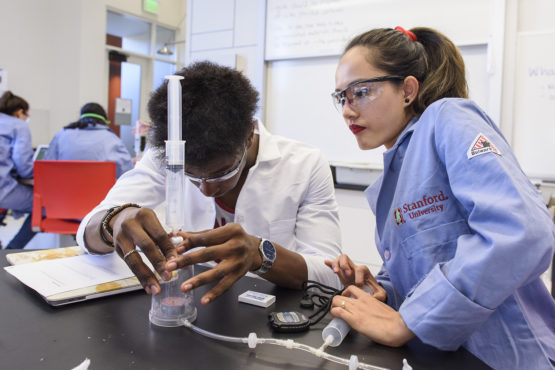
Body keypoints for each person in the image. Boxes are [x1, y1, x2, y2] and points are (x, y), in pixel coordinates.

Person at [324, 27, 555, 369]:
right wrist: (384, 288)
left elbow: (521, 234)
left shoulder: (449, 118)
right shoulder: (397, 168)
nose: (347, 110)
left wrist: (406, 322)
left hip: (506, 358)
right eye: (341, 97)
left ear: (407, 89)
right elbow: (430, 260)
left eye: (360, 92)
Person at [77, 61, 341, 305]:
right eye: (192, 176)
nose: (206, 189)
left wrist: (260, 255)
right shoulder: (167, 156)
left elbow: (330, 276)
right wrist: (113, 221)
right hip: (191, 307)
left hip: (266, 315)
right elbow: (86, 232)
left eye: (222, 172)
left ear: (249, 135)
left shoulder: (304, 165)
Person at [44, 103, 133, 178]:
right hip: (102, 197)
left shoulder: (61, 135)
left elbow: (46, 168)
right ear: (104, 121)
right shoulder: (112, 139)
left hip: (61, 196)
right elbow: (127, 175)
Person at [0, 91, 36, 249]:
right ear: (20, 112)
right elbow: (24, 167)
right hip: (3, 189)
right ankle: (13, 249)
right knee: (44, 205)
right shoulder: (19, 126)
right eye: (26, 115)